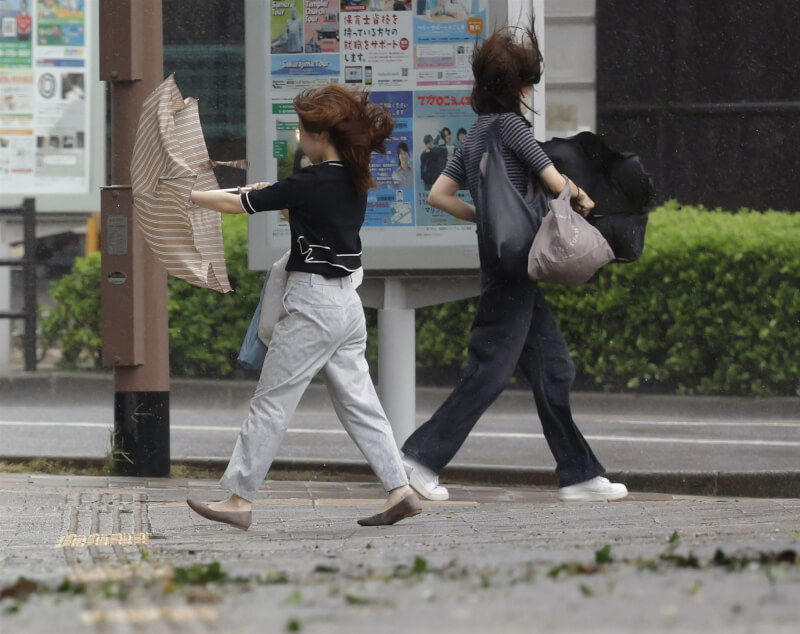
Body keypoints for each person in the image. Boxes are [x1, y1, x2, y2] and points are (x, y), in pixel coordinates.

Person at [400, 21, 629, 504]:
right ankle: (420, 458)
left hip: (504, 264)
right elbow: (555, 182)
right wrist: (584, 201)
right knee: (489, 371)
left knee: (553, 368)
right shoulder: (512, 128)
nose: (529, 90)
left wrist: (482, 215)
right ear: (518, 88)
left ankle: (579, 474)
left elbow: (439, 195)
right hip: (516, 267)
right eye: (527, 82)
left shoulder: (475, 134)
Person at [187, 85, 422, 530]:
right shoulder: (353, 176)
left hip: (314, 305)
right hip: (346, 304)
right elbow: (302, 209)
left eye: (301, 130)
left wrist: (190, 196)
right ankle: (401, 489)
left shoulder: (311, 182)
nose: (298, 137)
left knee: (271, 402)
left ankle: (238, 500)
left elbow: (238, 205)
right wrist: (277, 194)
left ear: (319, 137)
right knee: (361, 404)